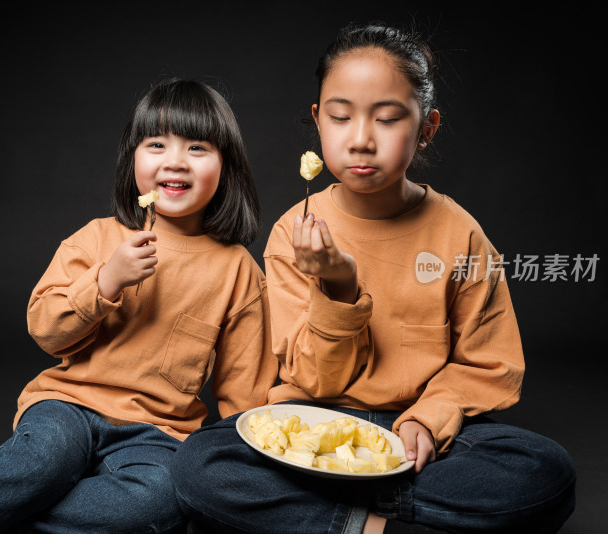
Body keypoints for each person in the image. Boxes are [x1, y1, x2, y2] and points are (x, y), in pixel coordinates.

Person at [171, 22, 576, 534]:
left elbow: (489, 365)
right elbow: (315, 381)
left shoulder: (461, 234)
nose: (360, 140)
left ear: (426, 128)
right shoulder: (293, 233)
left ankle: (326, 513)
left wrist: (428, 419)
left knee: (545, 470)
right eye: (341, 117)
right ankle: (378, 524)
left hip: (418, 436)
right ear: (320, 122)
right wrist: (337, 291)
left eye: (386, 119)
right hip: (317, 425)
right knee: (200, 463)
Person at [0, 78, 279, 534]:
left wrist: (250, 460)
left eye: (198, 148)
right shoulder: (98, 237)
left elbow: (246, 392)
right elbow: (47, 330)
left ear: (227, 167)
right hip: (70, 404)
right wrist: (107, 280)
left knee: (162, 502)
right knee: (41, 458)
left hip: (159, 432)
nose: (175, 162)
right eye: (157, 144)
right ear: (133, 162)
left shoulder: (238, 271)